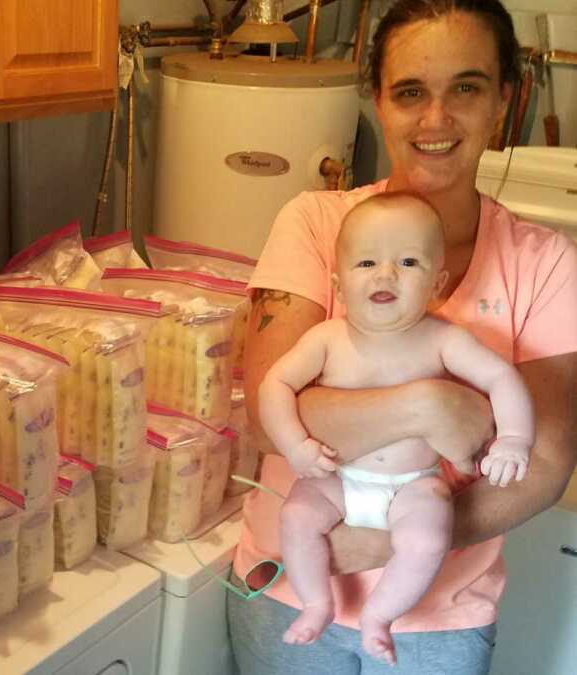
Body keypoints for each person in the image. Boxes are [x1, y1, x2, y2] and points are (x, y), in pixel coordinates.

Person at [228, 1, 577, 673]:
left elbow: (546, 460)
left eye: (466, 88)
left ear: (506, 97)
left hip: (439, 619)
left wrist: (385, 543)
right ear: (379, 101)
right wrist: (429, 407)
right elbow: (271, 420)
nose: (436, 119)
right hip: (291, 588)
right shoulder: (312, 222)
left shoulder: (547, 263)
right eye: (410, 91)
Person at [259, 191, 533, 666]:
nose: (386, 274)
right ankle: (317, 602)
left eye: (408, 262)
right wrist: (295, 444)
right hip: (337, 481)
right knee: (297, 519)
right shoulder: (326, 338)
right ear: (339, 285)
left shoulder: (443, 338)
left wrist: (514, 438)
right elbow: (274, 384)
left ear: (437, 283)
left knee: (427, 538)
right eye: (366, 262)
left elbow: (501, 377)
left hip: (412, 486)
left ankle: (379, 616)